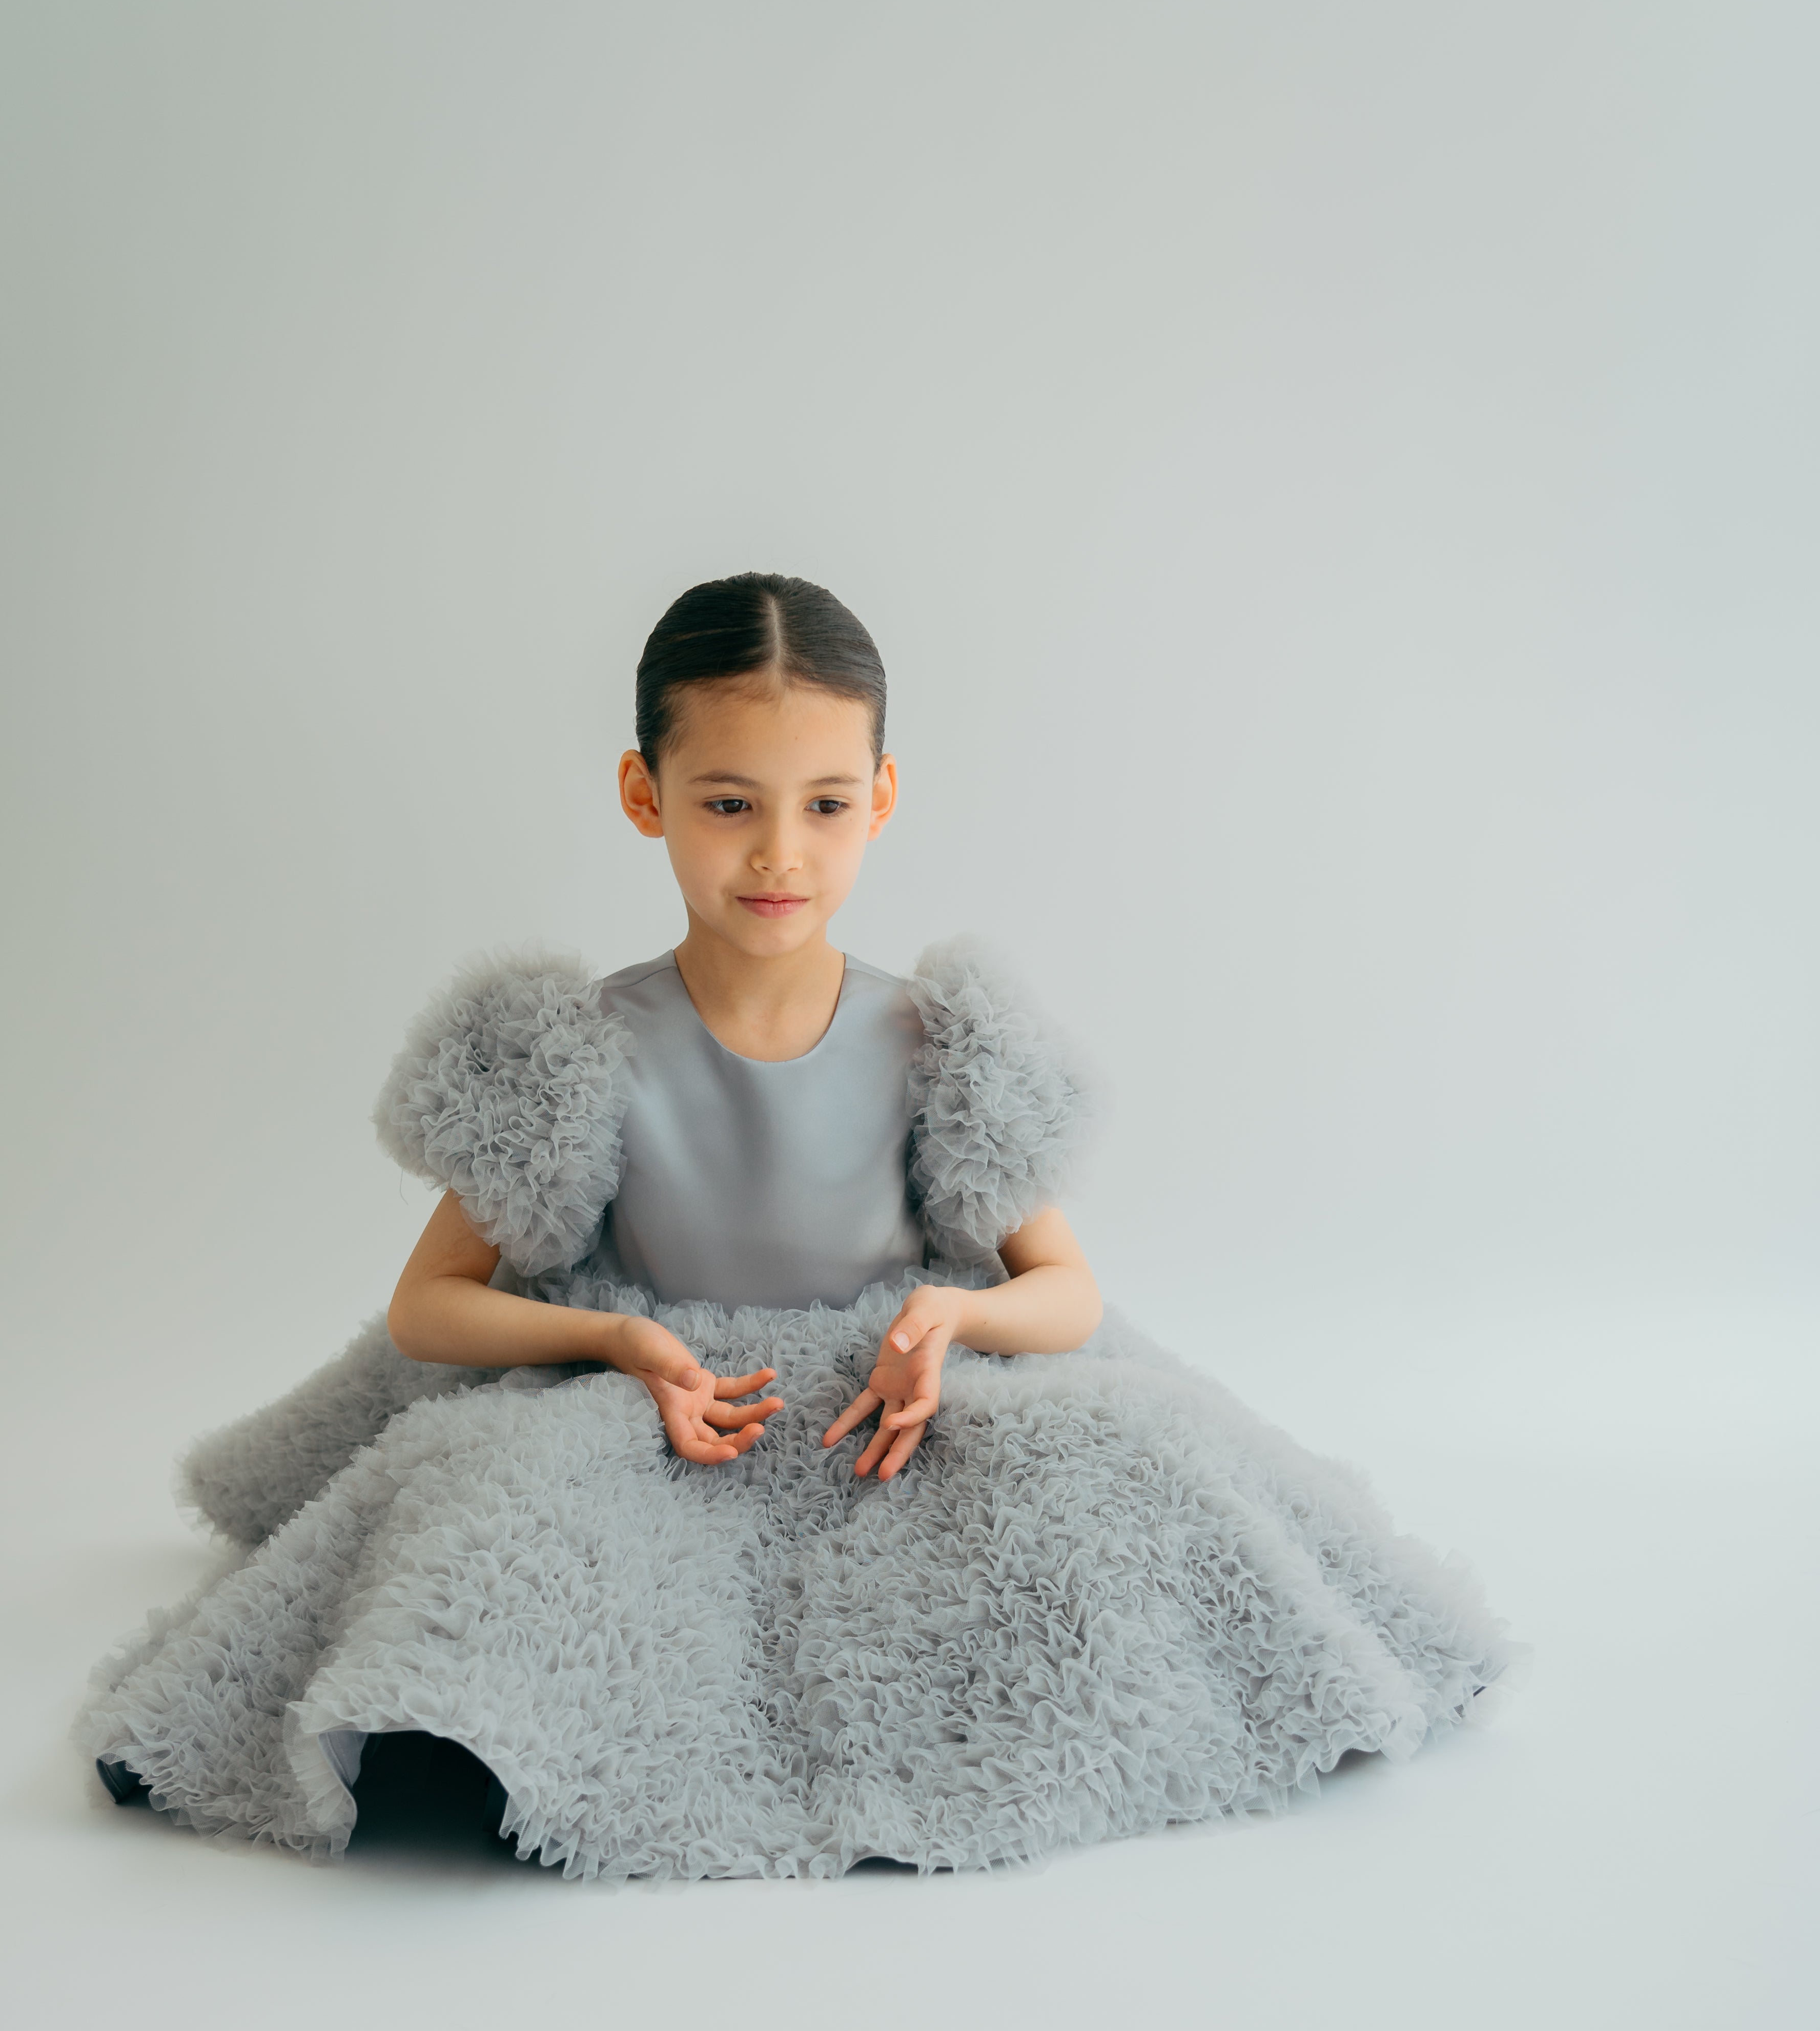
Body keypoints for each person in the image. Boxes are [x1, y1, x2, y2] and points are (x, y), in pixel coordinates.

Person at [80, 573, 1510, 1879]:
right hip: (662, 1405)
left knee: (1143, 1464)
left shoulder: (937, 1040)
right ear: (646, 796)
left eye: (826, 804)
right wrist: (616, 1337)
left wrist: (955, 1314)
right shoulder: (579, 1051)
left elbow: (1065, 1291)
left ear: (882, 797)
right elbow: (431, 1310)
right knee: (485, 1509)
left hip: (883, 1398)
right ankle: (492, 1746)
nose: (780, 852)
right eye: (728, 803)